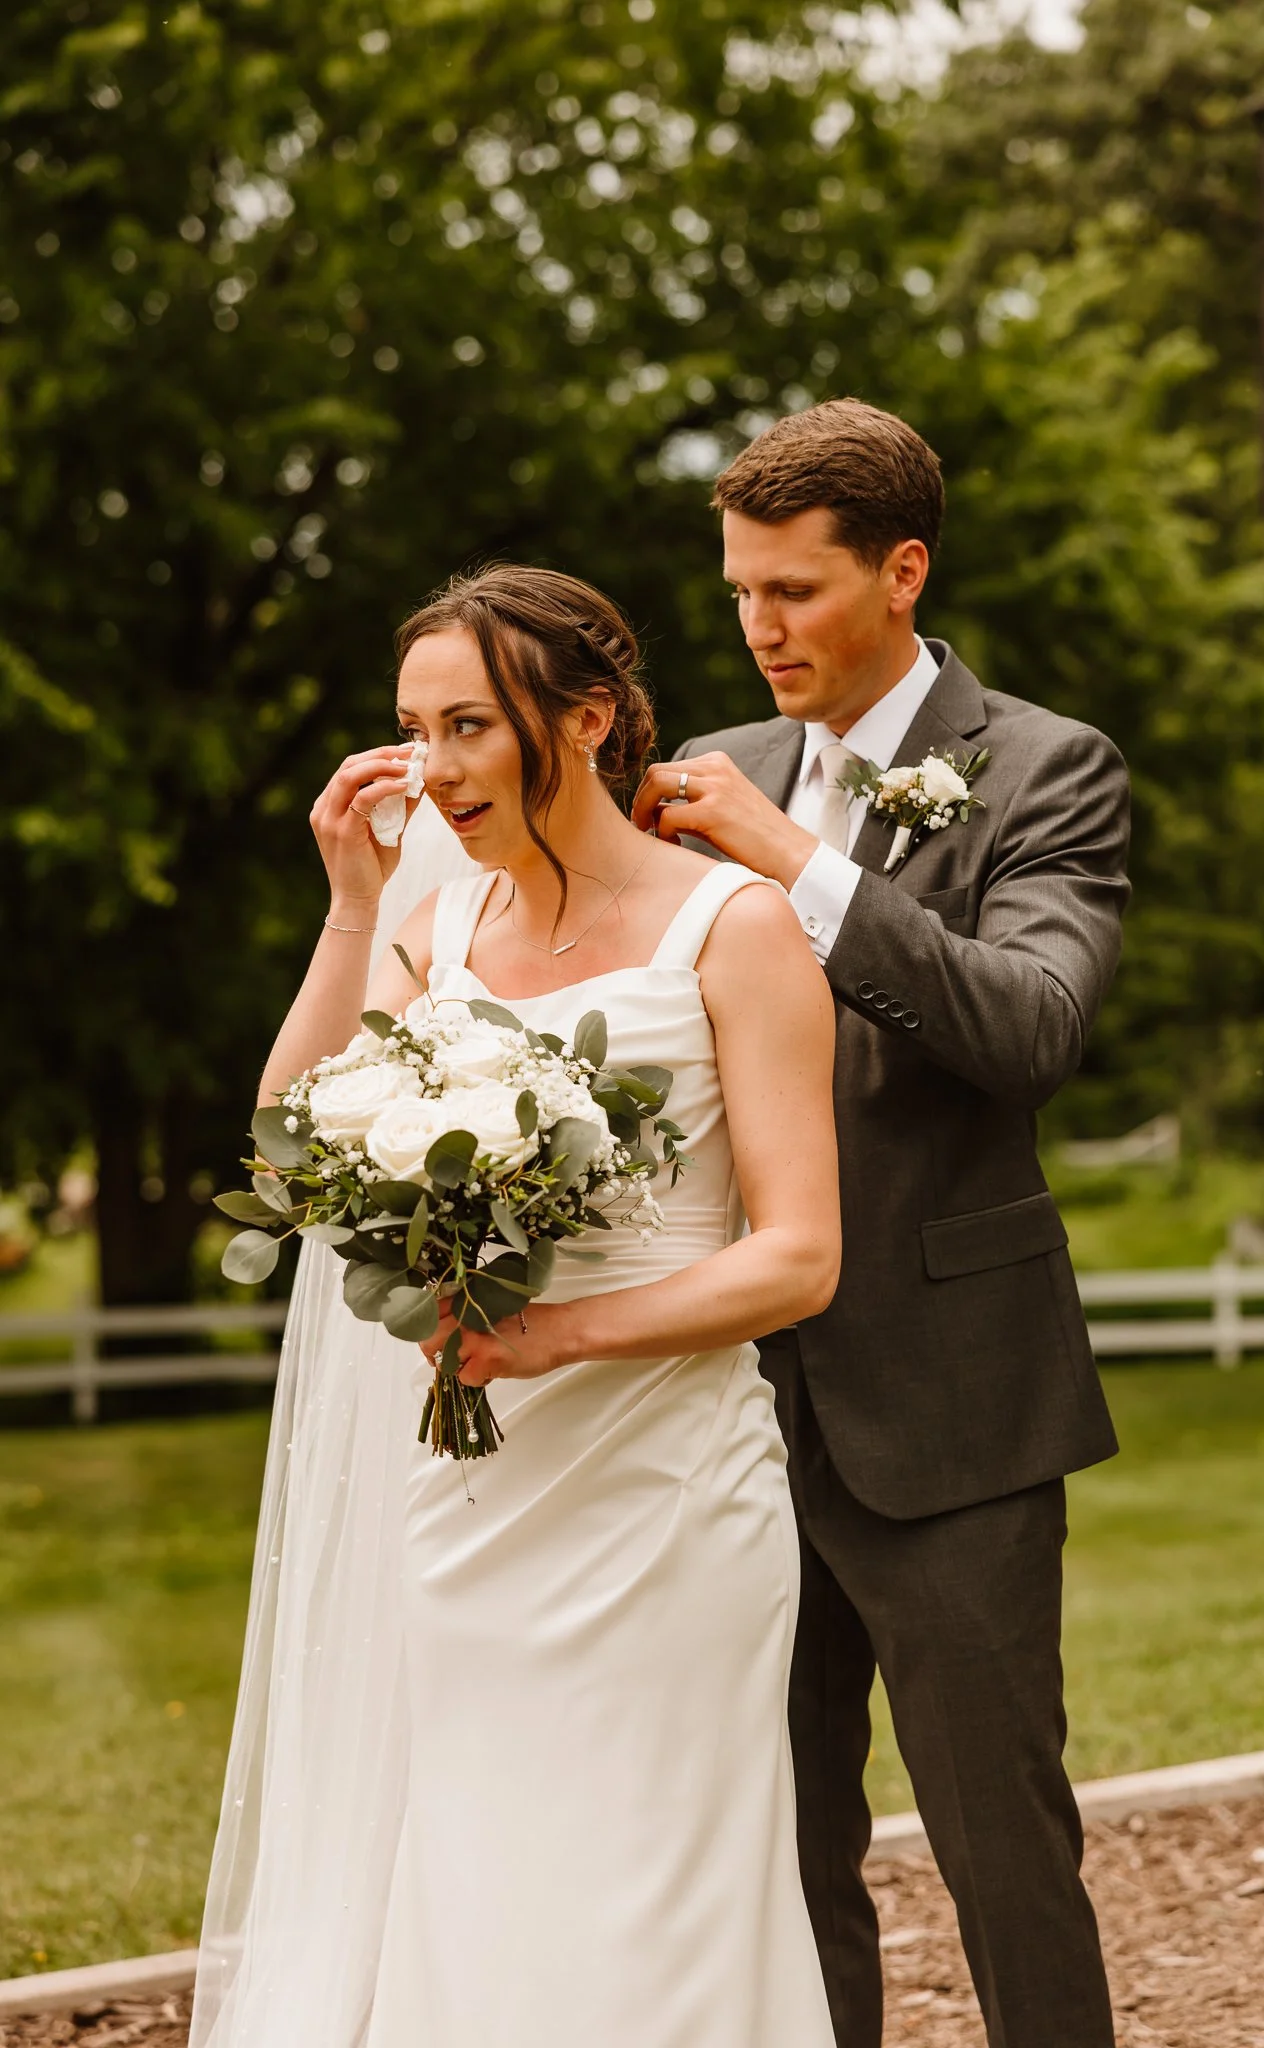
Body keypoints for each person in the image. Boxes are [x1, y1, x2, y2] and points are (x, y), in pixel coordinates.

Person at [191, 565, 841, 2048]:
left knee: (664, 1894)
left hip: (670, 1503)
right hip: (477, 1508)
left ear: (589, 719)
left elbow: (800, 1258)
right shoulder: (443, 931)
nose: (434, 770)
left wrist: (550, 1336)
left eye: (472, 726)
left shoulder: (734, 928)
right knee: (481, 1884)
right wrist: (355, 910)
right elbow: (291, 1135)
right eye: (415, 730)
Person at [632, 397, 1130, 2048]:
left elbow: (1030, 1029)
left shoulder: (1047, 768)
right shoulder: (706, 772)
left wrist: (800, 866)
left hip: (957, 1402)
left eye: (796, 592)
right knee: (775, 1853)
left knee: (1002, 1844)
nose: (760, 631)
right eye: (740, 596)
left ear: (902, 572)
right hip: (731, 1409)